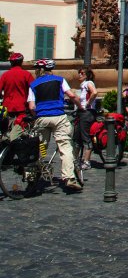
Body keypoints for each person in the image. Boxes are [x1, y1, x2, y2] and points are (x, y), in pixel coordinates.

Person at [27, 59, 82, 191]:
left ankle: (31, 178)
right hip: (58, 116)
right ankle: (69, 178)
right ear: (51, 69)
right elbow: (71, 95)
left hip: (42, 118)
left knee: (39, 148)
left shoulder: (33, 84)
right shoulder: (60, 80)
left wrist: (37, 115)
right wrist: (80, 106)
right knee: (65, 146)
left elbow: (32, 106)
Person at [0, 52, 32, 141]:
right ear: (21, 62)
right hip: (22, 107)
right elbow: (33, 90)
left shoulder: (5, 75)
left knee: (6, 131)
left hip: (8, 107)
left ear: (11, 62)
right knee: (21, 130)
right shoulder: (26, 74)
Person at [75, 67, 98, 169]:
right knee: (77, 137)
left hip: (87, 113)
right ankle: (76, 160)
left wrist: (88, 103)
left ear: (87, 75)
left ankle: (87, 161)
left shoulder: (89, 83)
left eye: (82, 73)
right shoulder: (82, 85)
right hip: (81, 113)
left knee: (85, 137)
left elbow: (94, 92)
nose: (80, 74)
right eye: (79, 73)